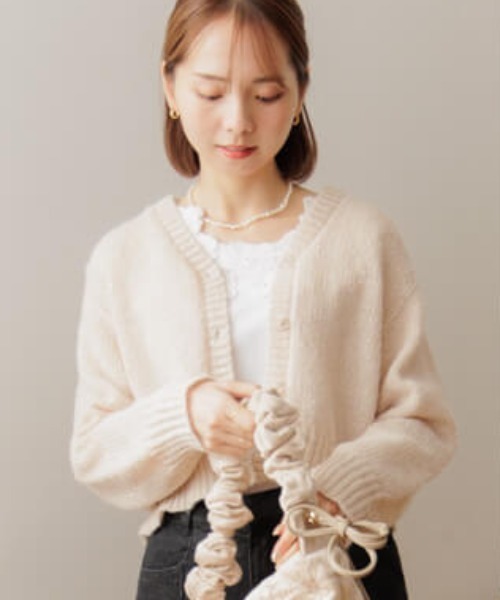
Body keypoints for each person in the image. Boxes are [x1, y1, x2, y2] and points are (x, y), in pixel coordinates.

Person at [69, 1, 457, 598]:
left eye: (266, 94)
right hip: (190, 564)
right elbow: (95, 450)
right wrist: (184, 416)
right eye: (211, 92)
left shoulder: (361, 239)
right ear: (170, 88)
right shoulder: (125, 258)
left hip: (334, 548)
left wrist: (335, 489)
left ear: (301, 91)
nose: (238, 121)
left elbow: (423, 423)